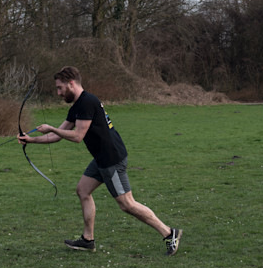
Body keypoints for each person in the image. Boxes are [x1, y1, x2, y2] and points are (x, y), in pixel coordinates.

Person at [17, 66, 182, 256]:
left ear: (71, 84)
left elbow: (77, 136)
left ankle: (169, 233)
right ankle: (88, 240)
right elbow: (57, 137)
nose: (58, 93)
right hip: (101, 158)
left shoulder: (87, 102)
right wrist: (31, 140)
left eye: (60, 88)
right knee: (83, 190)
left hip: (111, 158)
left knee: (127, 204)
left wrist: (52, 128)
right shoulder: (77, 106)